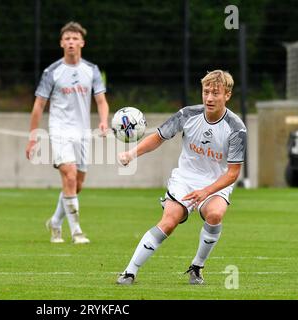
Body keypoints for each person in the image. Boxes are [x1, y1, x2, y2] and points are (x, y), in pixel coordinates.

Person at [116, 70, 247, 285]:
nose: (209, 98)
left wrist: (206, 191)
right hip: (185, 179)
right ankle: (129, 272)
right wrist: (132, 153)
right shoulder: (187, 114)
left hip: (215, 182)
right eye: (206, 92)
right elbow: (158, 137)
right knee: (168, 222)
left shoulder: (237, 129)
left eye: (216, 93)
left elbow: (233, 173)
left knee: (215, 214)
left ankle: (197, 267)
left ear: (228, 95)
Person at [25, 22, 109, 244]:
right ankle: (76, 232)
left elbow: (101, 100)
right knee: (69, 175)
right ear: (61, 43)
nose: (71, 42)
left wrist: (103, 122)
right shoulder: (52, 72)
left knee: (77, 184)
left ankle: (54, 221)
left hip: (82, 133)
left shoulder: (91, 70)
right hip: (60, 130)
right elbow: (38, 106)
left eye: (75, 38)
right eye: (67, 39)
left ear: (82, 42)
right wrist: (33, 137)